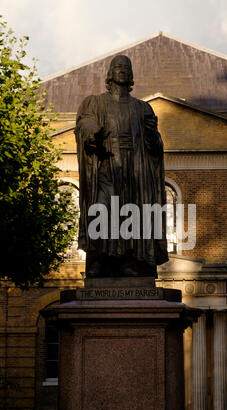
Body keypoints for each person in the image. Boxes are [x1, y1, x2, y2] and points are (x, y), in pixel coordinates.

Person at [75, 55, 168, 277]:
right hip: (106, 164)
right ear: (110, 73)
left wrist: (153, 135)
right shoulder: (95, 102)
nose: (123, 70)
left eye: (127, 68)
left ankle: (129, 261)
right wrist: (91, 132)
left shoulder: (142, 108)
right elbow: (85, 122)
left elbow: (154, 147)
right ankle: (100, 259)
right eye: (118, 67)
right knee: (102, 209)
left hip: (135, 169)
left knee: (132, 212)